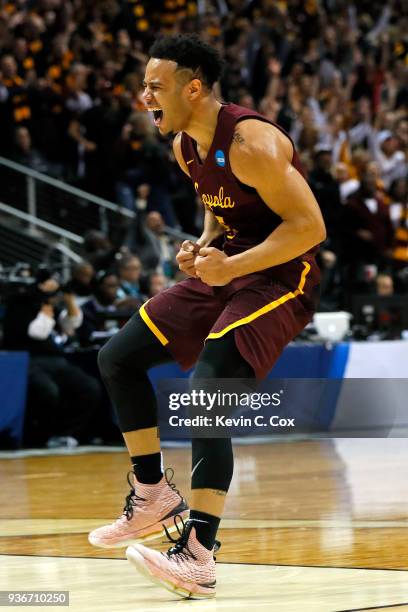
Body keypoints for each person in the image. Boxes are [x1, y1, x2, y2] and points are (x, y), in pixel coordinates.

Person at [88, 34, 325, 599]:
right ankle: (153, 492)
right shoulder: (185, 146)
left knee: (207, 388)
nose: (144, 95)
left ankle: (198, 552)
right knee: (118, 357)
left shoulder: (252, 143)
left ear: (193, 88)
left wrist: (232, 264)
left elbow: (310, 227)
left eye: (154, 85)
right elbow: (221, 208)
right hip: (230, 267)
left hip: (282, 276)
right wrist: (202, 245)